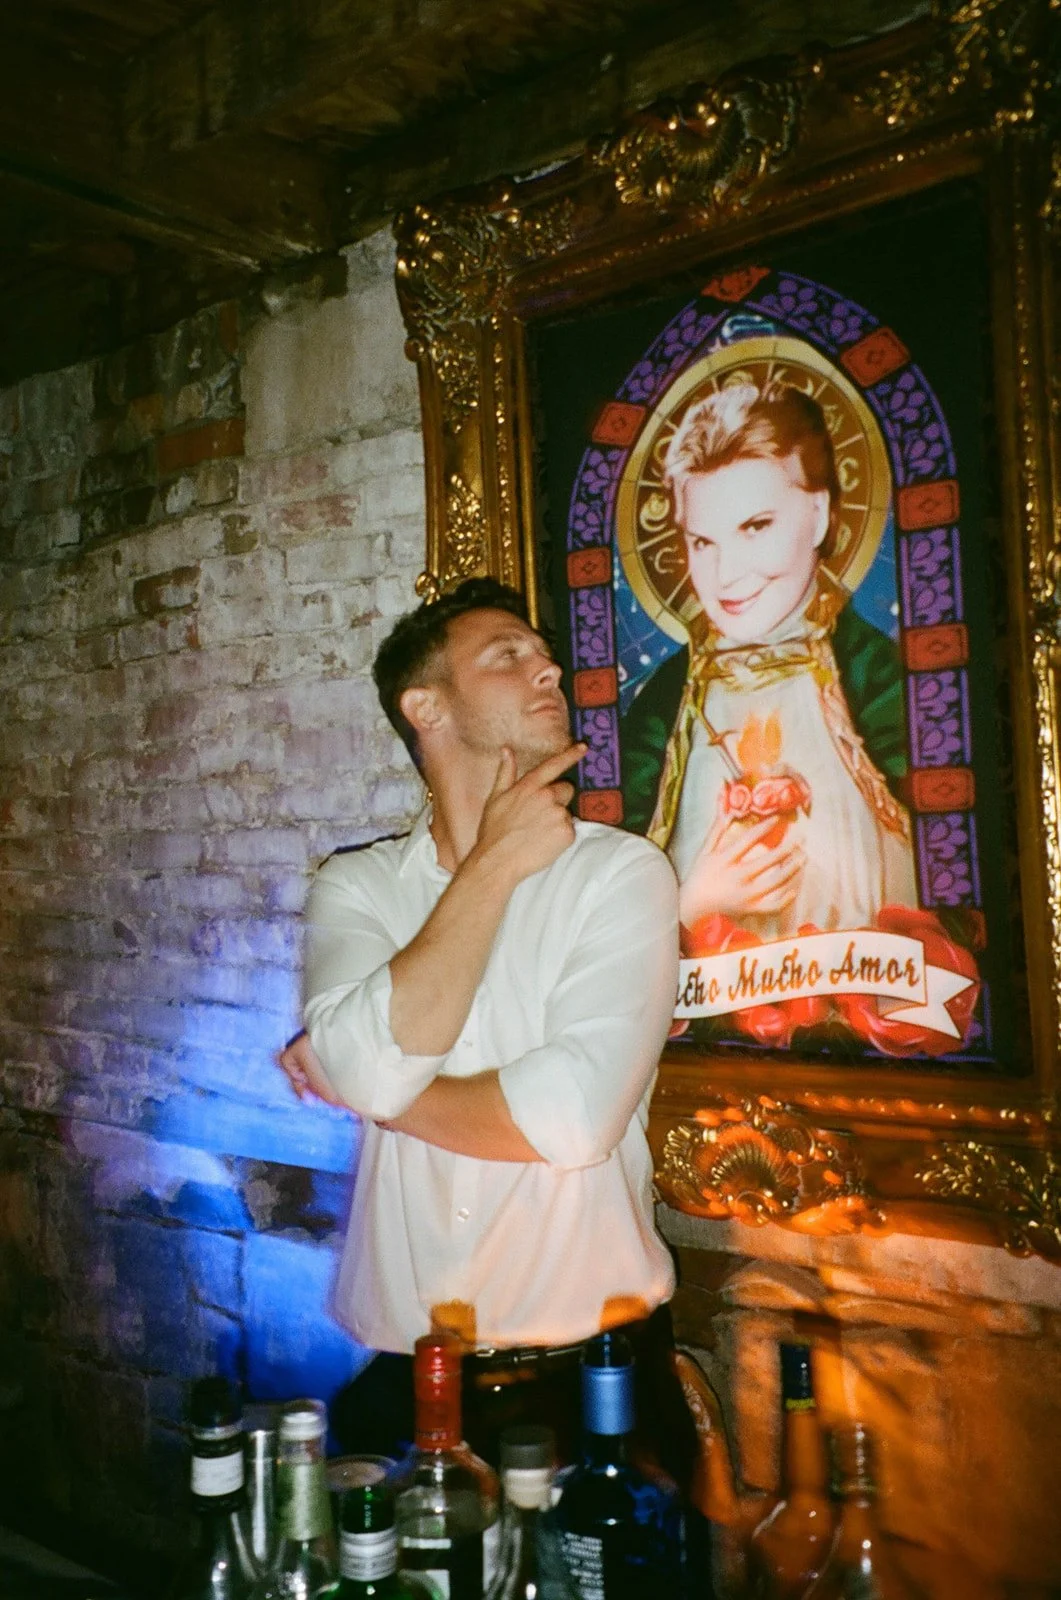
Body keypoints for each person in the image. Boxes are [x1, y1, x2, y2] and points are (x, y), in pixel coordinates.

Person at [279, 577, 696, 1482]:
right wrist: (497, 863)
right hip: (401, 1387)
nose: (549, 668)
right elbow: (364, 1065)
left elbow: (572, 1121)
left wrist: (370, 1085)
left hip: (596, 1389)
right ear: (423, 707)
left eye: (544, 656)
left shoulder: (621, 876)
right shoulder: (357, 888)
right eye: (508, 654)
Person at [621, 382, 917, 952]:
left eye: (755, 527)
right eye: (702, 542)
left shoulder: (873, 674)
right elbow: (619, 875)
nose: (727, 574)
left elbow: (945, 842)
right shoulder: (664, 704)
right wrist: (690, 902)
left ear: (820, 512)